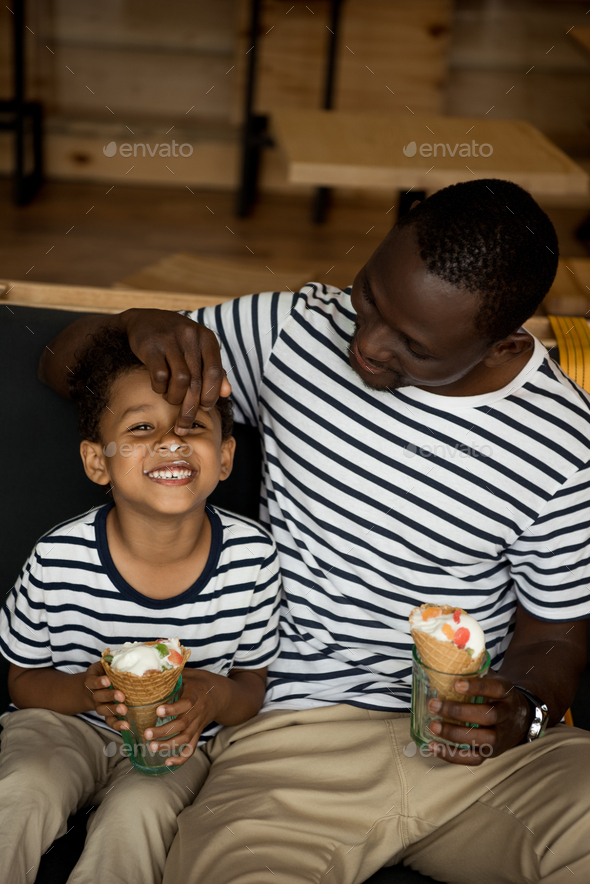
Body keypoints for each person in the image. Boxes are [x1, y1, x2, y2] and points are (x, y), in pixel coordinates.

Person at [39, 179, 590, 884]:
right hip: (290, 743)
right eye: (367, 301)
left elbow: (555, 634)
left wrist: (527, 708)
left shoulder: (563, 442)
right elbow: (61, 367)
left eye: (412, 348)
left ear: (502, 338)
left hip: (476, 763)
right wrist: (134, 326)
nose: (364, 346)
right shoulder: (291, 332)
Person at [0, 327, 281, 884]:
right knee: (24, 790)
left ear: (225, 457)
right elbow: (22, 680)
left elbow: (250, 690)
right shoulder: (59, 558)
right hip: (63, 725)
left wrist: (210, 693)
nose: (171, 441)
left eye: (193, 426)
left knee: (140, 817)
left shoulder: (252, 559)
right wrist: (83, 691)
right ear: (97, 461)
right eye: (141, 427)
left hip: (177, 745)